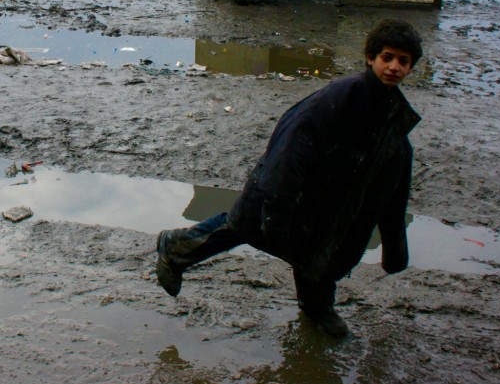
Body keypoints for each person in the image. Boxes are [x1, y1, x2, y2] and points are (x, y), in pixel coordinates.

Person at [156, 19, 423, 338]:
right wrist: (278, 203)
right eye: (387, 57)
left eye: (402, 61)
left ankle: (317, 307)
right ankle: (177, 247)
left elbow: (392, 189)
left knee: (321, 250)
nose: (393, 67)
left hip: (321, 202)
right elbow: (292, 145)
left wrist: (395, 246)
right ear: (370, 57)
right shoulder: (341, 97)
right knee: (243, 227)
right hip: (283, 188)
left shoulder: (394, 122)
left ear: (410, 68)